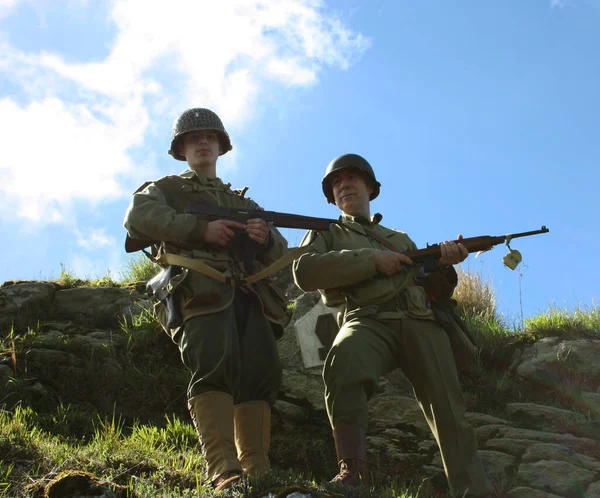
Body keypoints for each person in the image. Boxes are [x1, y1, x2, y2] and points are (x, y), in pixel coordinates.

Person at [292, 153, 494, 497]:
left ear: (370, 187)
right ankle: (351, 473)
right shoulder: (325, 232)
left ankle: (474, 490)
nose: (345, 186)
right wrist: (371, 261)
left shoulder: (399, 239)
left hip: (420, 321)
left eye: (352, 179)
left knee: (448, 408)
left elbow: (432, 289)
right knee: (344, 363)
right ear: (331, 195)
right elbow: (305, 272)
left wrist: (445, 263)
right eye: (337, 183)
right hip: (366, 318)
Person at [123, 108, 288, 492]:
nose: (202, 142)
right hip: (199, 289)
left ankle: (258, 470)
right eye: (193, 138)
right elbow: (138, 216)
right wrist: (200, 230)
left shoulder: (240, 200)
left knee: (260, 371)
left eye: (209, 137)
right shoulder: (167, 188)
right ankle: (224, 469)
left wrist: (264, 237)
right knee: (213, 365)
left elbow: (278, 250)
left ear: (220, 146)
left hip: (248, 294)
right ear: (181, 148)